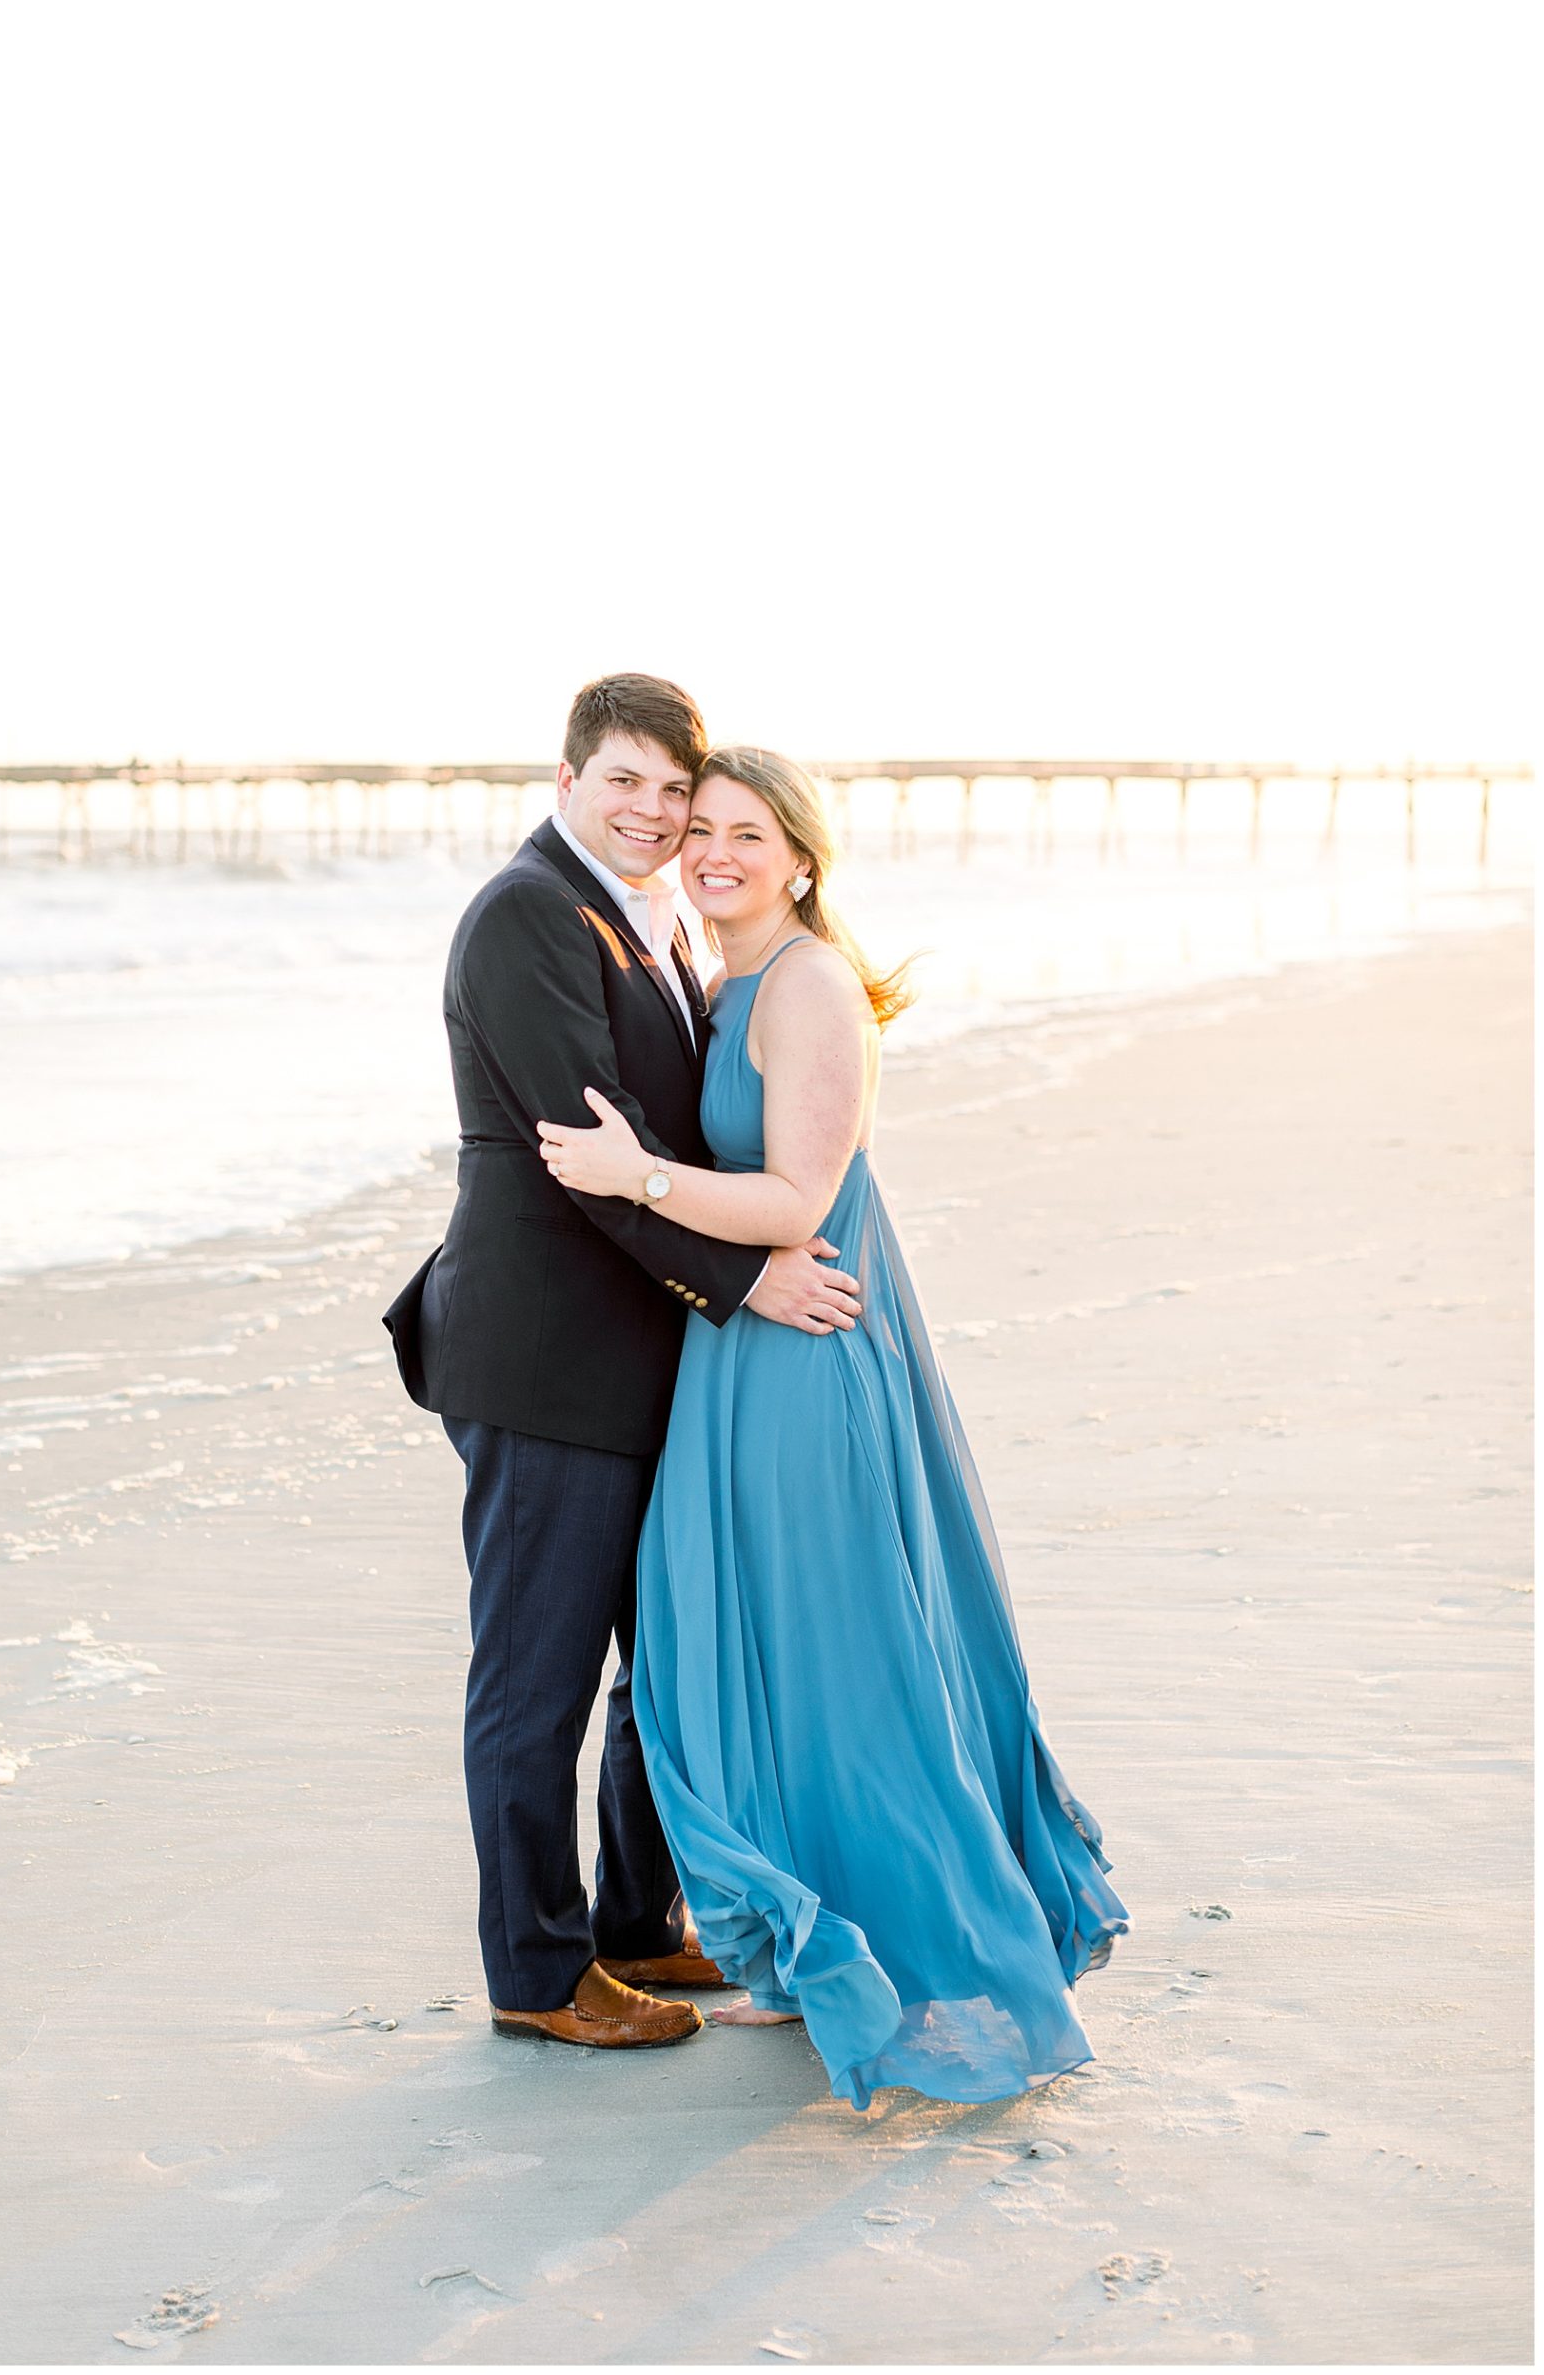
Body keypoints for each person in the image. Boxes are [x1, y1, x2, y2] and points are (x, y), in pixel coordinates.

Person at [536, 744, 1129, 2109]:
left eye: (747, 833)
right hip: (743, 1340)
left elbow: (797, 1201)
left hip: (804, 1345)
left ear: (802, 857)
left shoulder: (807, 985)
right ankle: (819, 1940)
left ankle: (898, 1944)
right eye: (700, 827)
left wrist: (635, 1175)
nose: (713, 851)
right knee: (763, 1645)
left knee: (833, 1651)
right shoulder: (727, 980)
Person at [383, 678, 865, 2052]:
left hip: (649, 1354)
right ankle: (537, 1973)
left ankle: (638, 1923)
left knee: (666, 1661)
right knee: (535, 1677)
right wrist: (748, 1274)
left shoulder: (645, 916)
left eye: (674, 791)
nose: (653, 813)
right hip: (546, 1359)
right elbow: (583, 1152)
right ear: (567, 780)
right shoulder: (529, 912)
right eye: (625, 782)